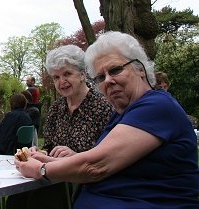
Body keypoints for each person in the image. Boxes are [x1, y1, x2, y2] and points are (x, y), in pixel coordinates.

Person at [15, 32, 199, 209]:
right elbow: (102, 157)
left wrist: (42, 169)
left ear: (140, 69)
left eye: (116, 70)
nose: (108, 80)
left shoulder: (156, 105)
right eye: (101, 76)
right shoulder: (122, 113)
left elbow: (96, 165)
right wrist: (46, 158)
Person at [7, 44, 113, 209]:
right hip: (52, 175)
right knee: (16, 197)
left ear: (83, 74)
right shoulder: (56, 109)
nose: (61, 82)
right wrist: (37, 152)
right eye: (56, 77)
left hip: (85, 181)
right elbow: (48, 147)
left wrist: (76, 155)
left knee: (44, 198)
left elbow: (109, 156)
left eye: (67, 74)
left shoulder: (103, 107)